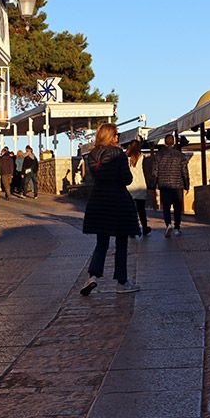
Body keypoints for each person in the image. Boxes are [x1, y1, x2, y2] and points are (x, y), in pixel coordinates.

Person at [80, 123, 140, 295]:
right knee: (121, 241)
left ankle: (93, 276)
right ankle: (122, 281)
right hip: (118, 201)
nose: (118, 138)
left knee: (102, 242)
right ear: (111, 136)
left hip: (98, 200)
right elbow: (126, 179)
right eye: (116, 135)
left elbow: (93, 177)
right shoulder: (118, 154)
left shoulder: (91, 155)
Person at [151, 134, 190, 237]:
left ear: (164, 142)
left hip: (164, 186)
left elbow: (154, 172)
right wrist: (187, 185)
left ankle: (168, 224)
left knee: (166, 207)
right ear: (173, 142)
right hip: (177, 185)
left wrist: (153, 186)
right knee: (177, 208)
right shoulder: (180, 155)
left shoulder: (158, 156)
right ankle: (177, 228)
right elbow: (184, 171)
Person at [125, 139, 152, 237]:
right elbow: (147, 173)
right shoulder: (143, 158)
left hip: (129, 187)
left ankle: (132, 230)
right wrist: (151, 186)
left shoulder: (126, 159)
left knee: (131, 210)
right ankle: (144, 228)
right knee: (141, 210)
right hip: (141, 186)